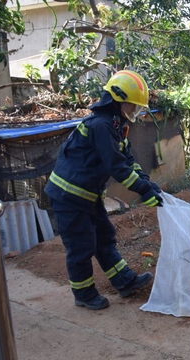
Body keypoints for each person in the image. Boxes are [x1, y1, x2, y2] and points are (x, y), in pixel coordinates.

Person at [44, 70, 163, 310]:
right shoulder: (100, 125)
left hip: (86, 195)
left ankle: (125, 281)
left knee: (104, 238)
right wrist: (142, 190)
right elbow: (116, 166)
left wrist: (146, 182)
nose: (134, 112)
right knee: (81, 246)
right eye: (132, 106)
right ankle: (84, 294)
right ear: (117, 100)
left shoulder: (114, 125)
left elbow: (127, 159)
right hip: (69, 197)